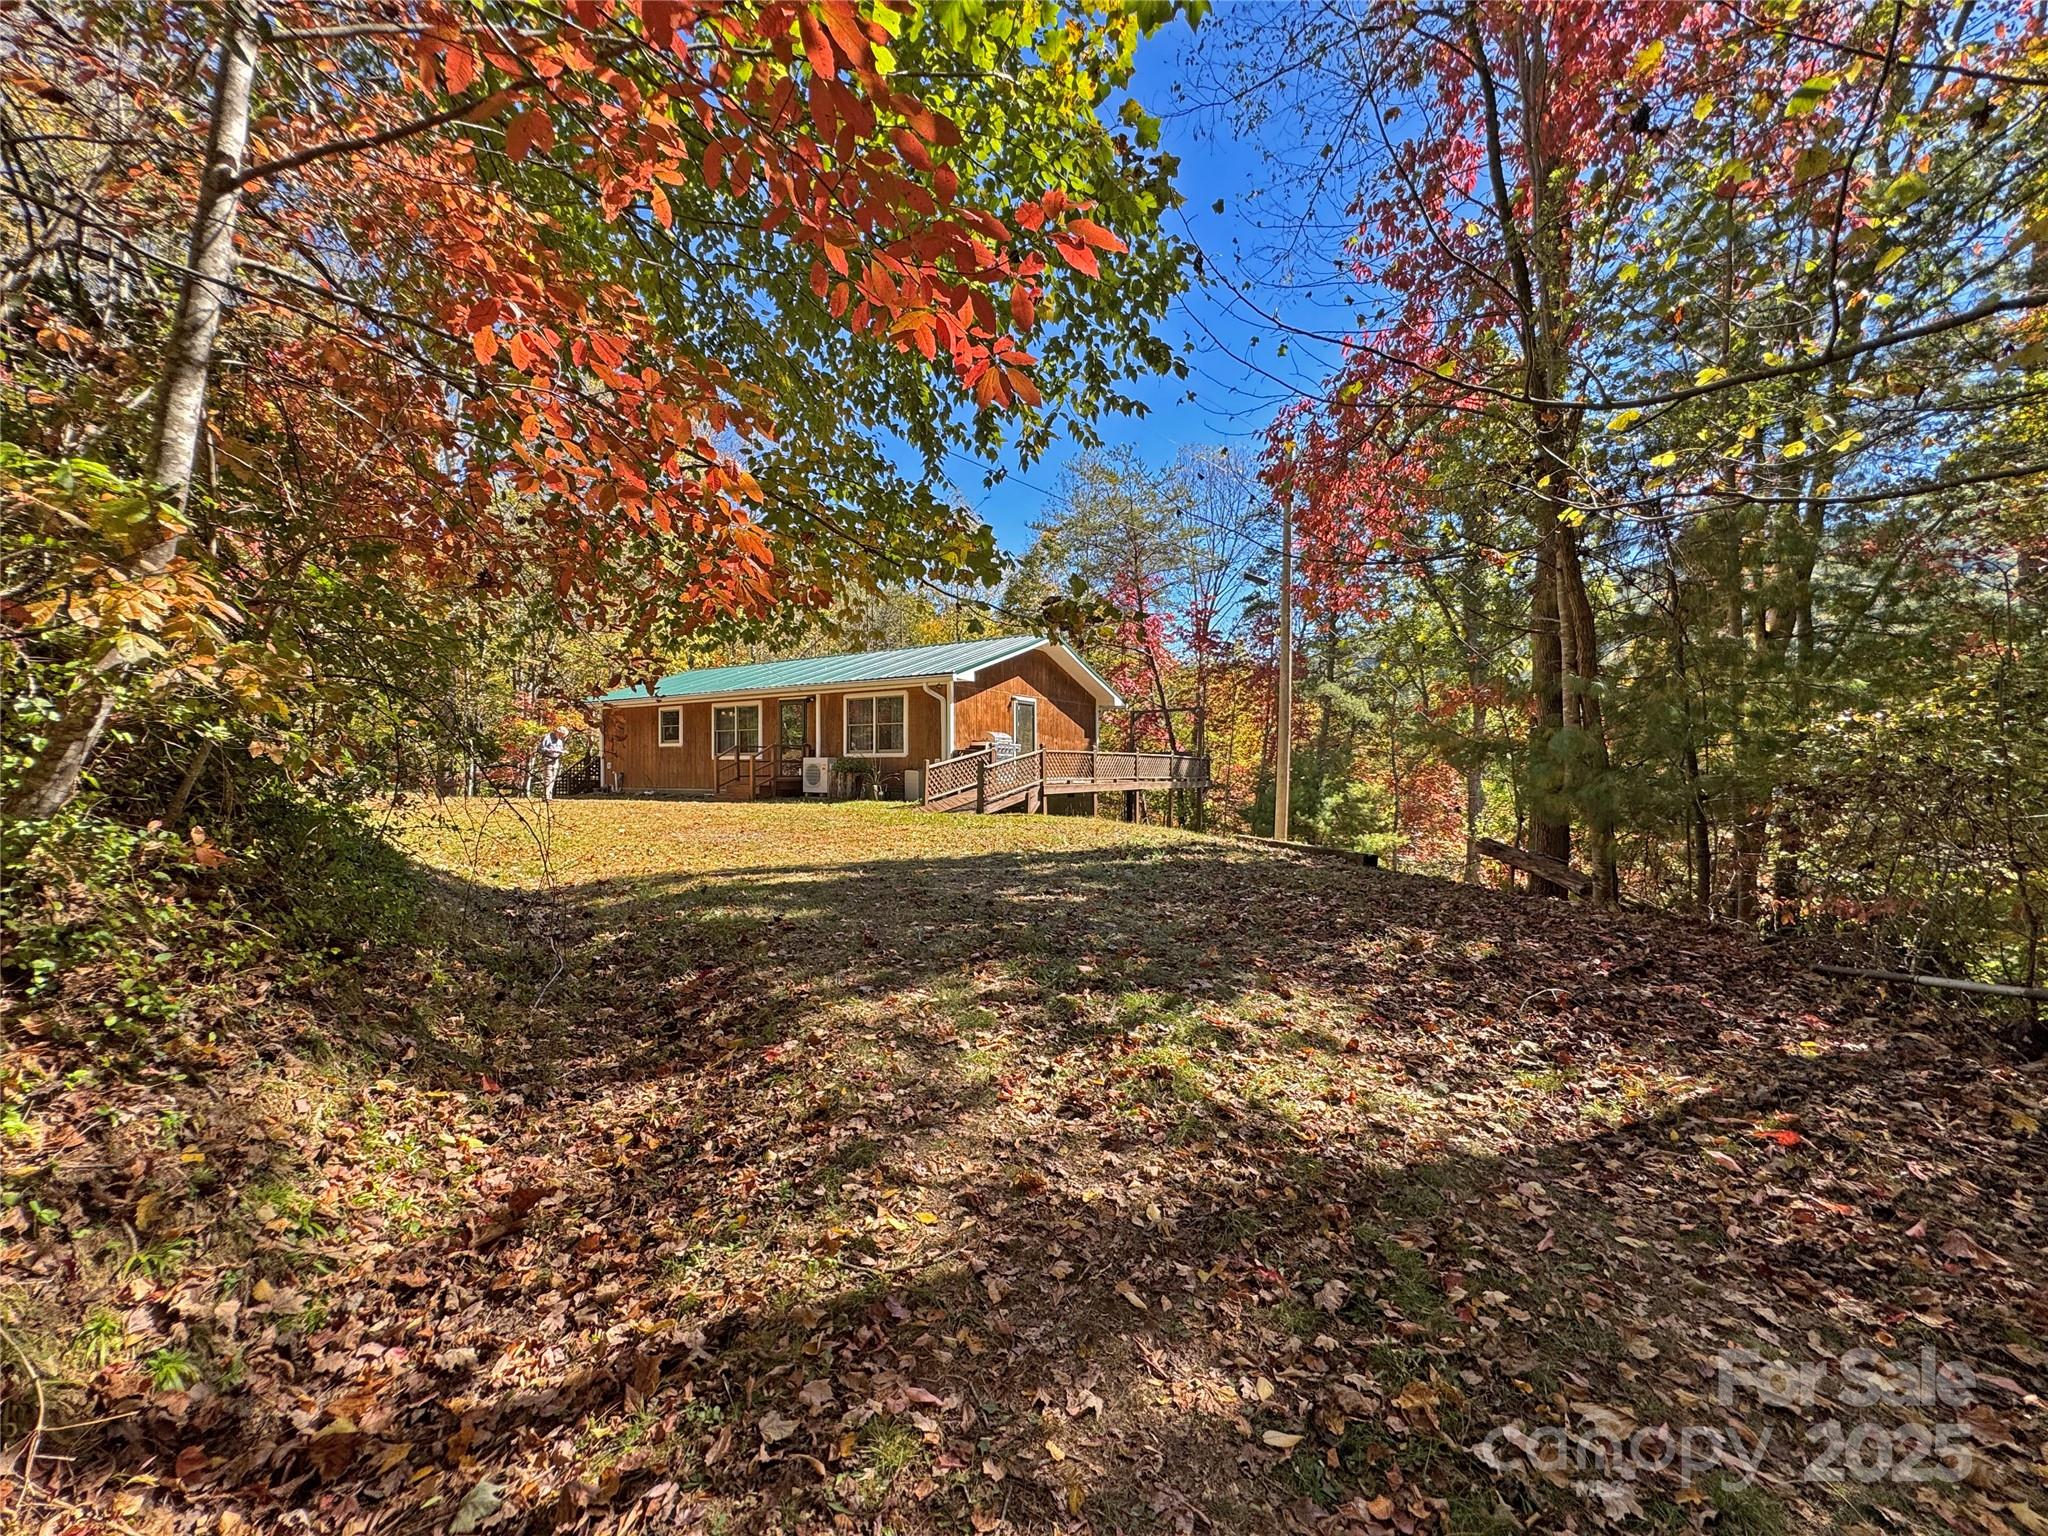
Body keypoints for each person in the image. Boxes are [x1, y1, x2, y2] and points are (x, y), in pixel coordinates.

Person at [535, 726, 568, 800]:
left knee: (553, 778)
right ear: (557, 732)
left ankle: (549, 796)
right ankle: (546, 796)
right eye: (560, 735)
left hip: (556, 760)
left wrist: (562, 752)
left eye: (562, 736)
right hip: (548, 759)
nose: (561, 737)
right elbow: (540, 749)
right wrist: (551, 750)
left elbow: (560, 749)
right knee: (548, 778)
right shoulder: (547, 737)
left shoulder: (559, 741)